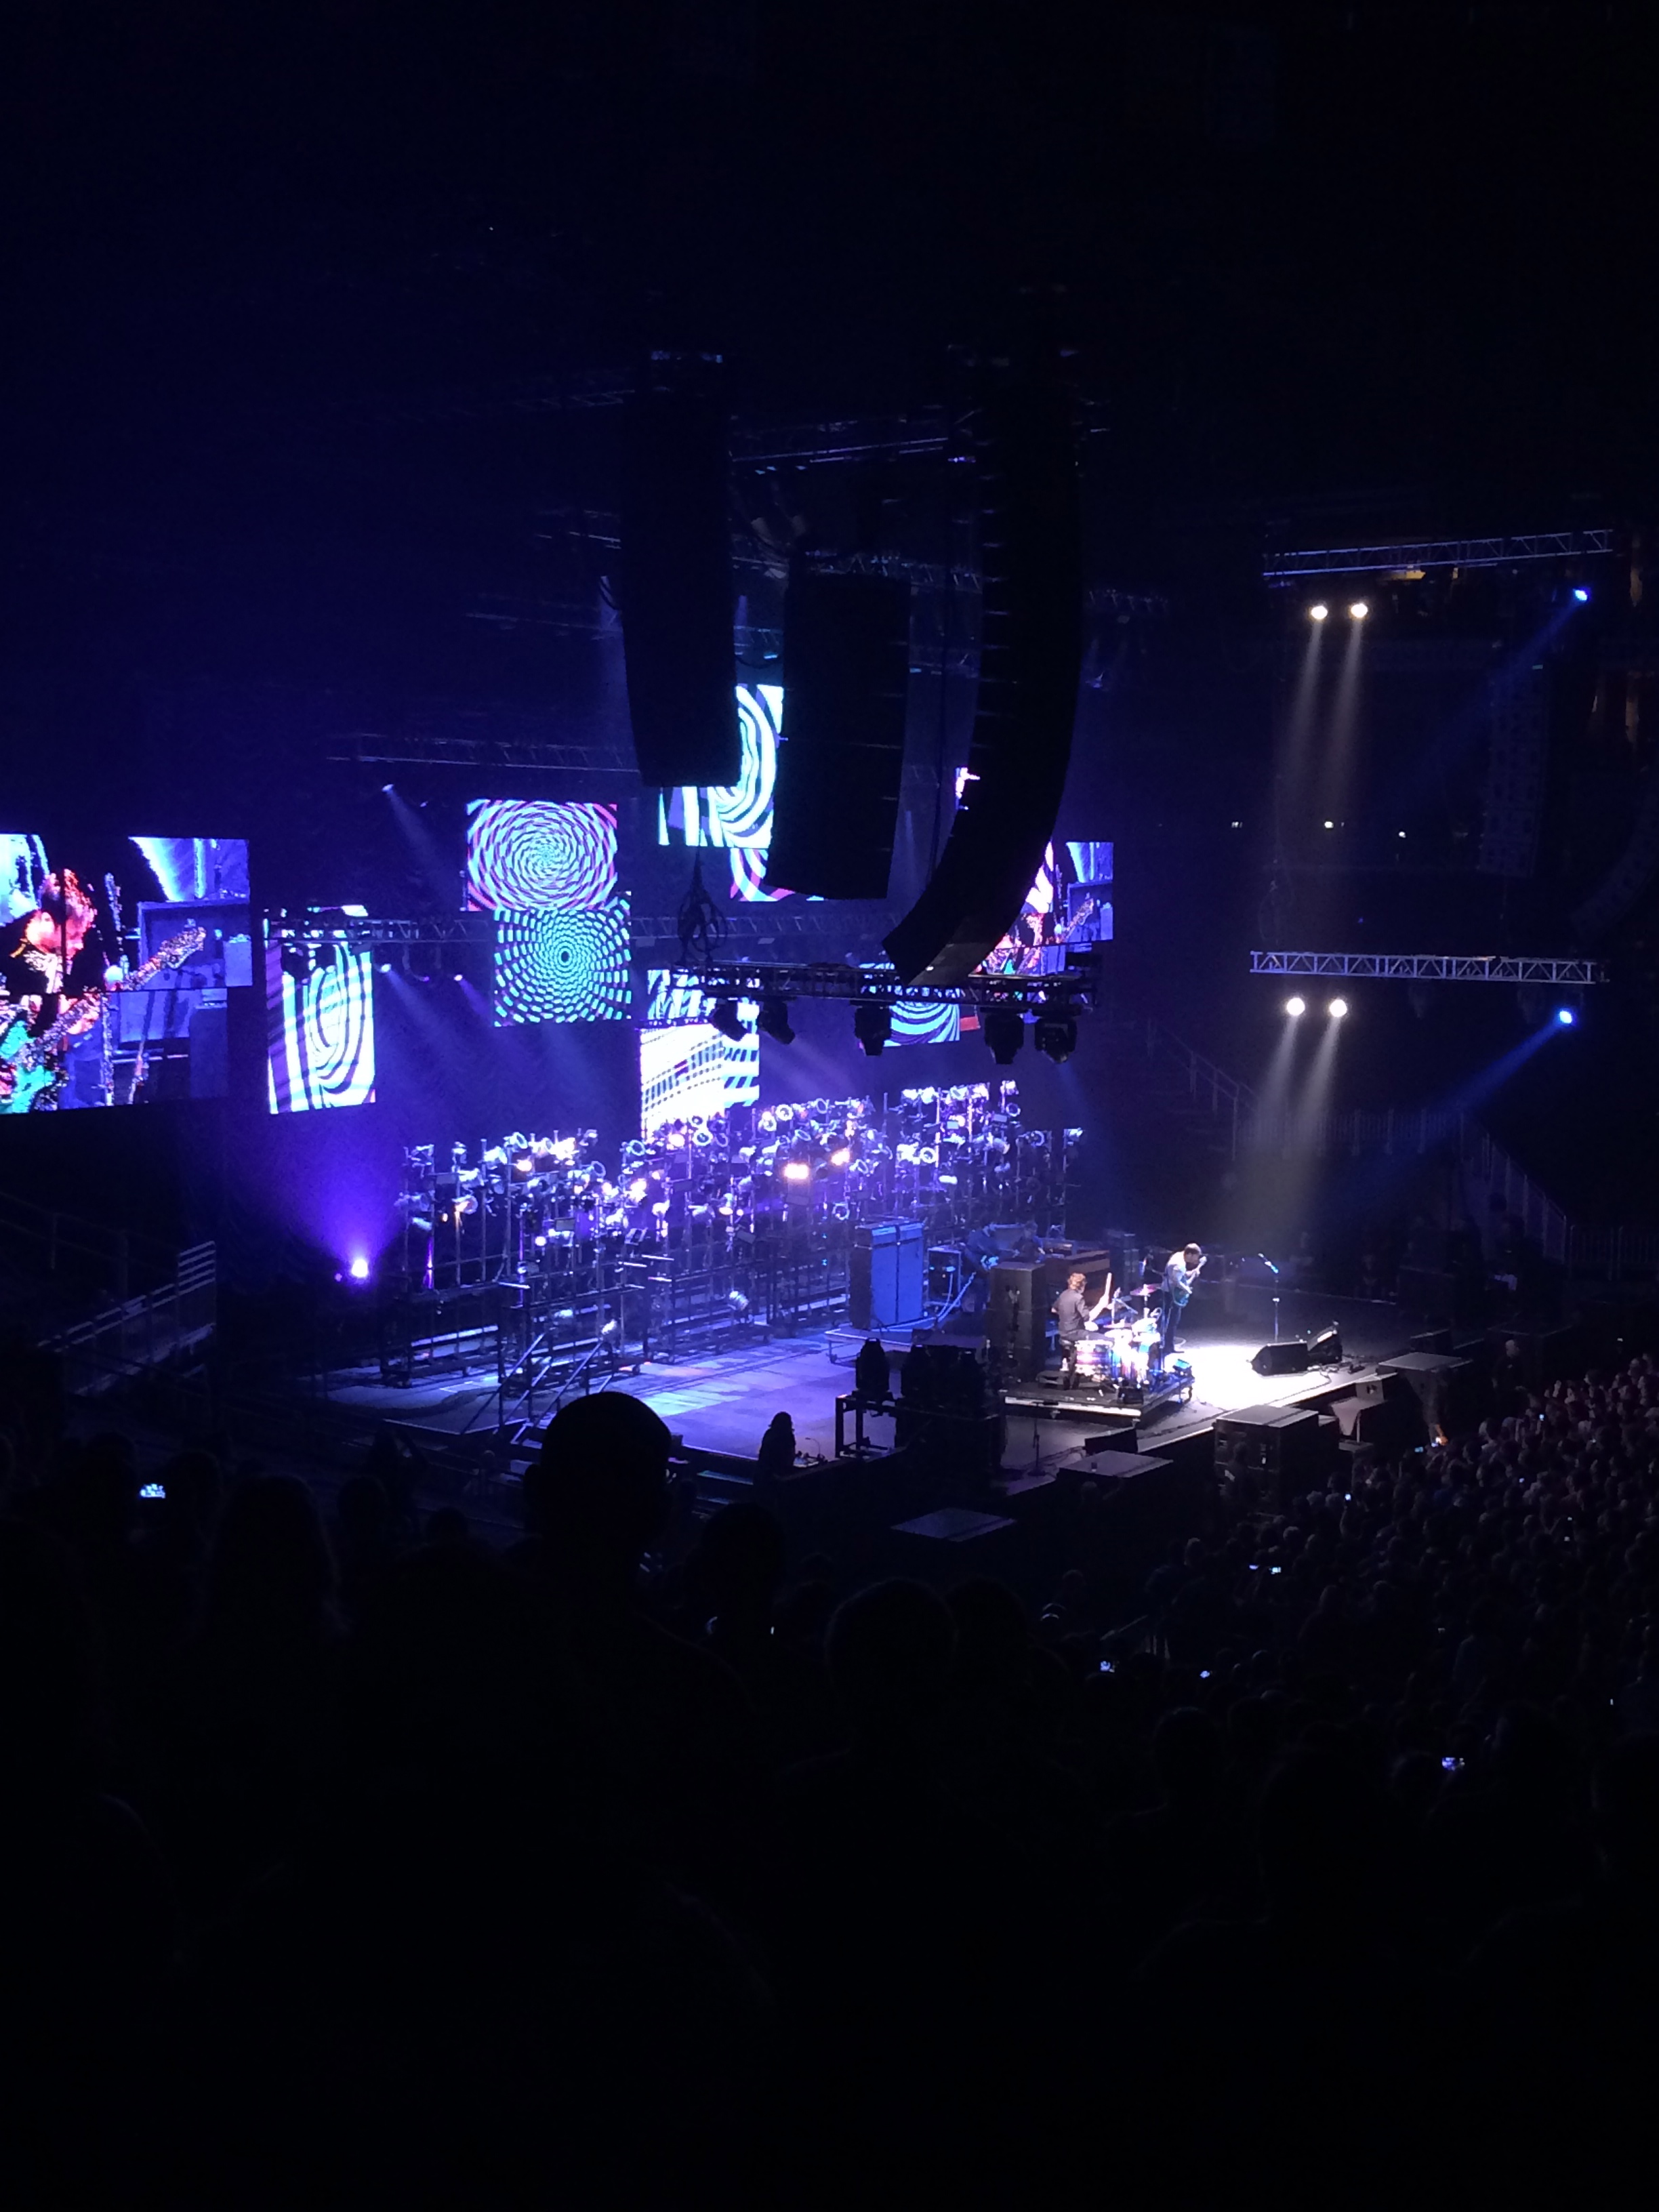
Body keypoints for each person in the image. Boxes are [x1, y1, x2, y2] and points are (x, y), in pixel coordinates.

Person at [1159, 1244, 1205, 1362]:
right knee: (1172, 1321)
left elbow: (1182, 1275)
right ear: (1190, 1254)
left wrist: (1193, 1272)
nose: (1196, 1260)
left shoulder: (1179, 1256)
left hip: (1171, 1291)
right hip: (1171, 1294)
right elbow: (1177, 1281)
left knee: (1172, 1320)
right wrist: (1187, 1290)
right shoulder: (1178, 1264)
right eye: (1195, 1257)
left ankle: (1169, 1345)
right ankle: (1167, 1347)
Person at [1050, 1271, 1090, 1385]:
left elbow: (1053, 1309)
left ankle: (1066, 1366)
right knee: (1100, 1338)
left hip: (1063, 1332)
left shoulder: (1063, 1294)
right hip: (1075, 1333)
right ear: (1081, 1285)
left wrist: (1066, 1315)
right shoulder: (1078, 1298)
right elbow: (1087, 1317)